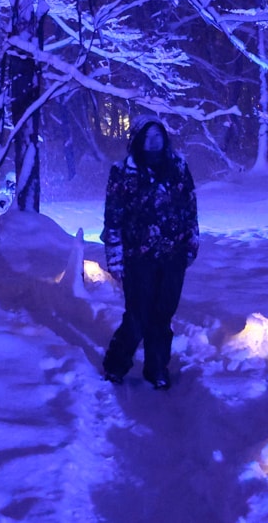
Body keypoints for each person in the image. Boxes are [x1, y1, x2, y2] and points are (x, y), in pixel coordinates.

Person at [100, 115, 199, 390]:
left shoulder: (178, 166)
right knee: (137, 315)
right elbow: (113, 218)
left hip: (173, 257)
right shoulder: (122, 172)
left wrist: (191, 244)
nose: (154, 141)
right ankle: (116, 365)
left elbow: (190, 208)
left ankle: (157, 368)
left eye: (158, 136)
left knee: (163, 314)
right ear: (137, 139)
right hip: (137, 258)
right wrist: (116, 259)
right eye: (148, 136)